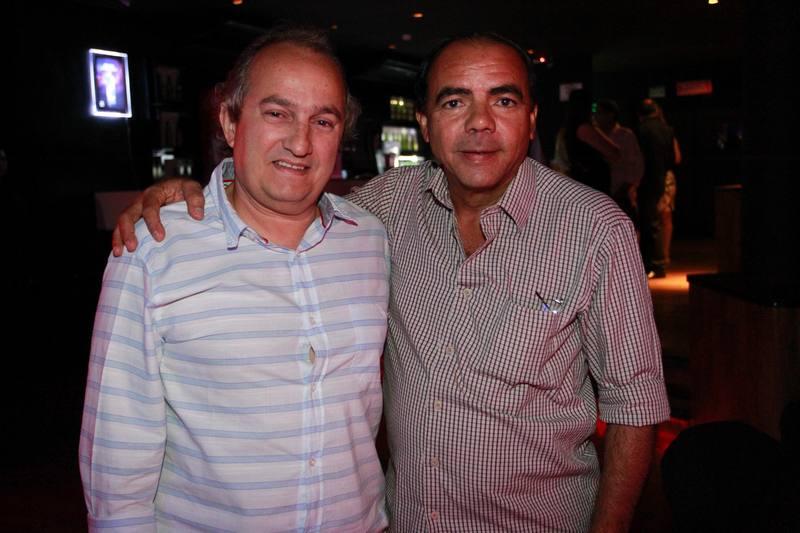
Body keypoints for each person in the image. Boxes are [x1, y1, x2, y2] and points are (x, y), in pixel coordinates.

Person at [114, 33, 670, 532]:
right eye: (455, 102)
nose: (480, 123)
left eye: (503, 100)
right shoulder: (383, 210)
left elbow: (635, 406)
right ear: (425, 123)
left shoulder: (596, 229)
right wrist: (191, 195)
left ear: (531, 118)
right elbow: (288, 191)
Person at [80, 28, 390, 532]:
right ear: (229, 120)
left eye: (323, 121)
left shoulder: (371, 239)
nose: (300, 143)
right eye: (277, 113)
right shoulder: (155, 248)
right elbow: (118, 446)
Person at [637, 98, 677, 278]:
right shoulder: (667, 130)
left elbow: (638, 158)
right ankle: (660, 262)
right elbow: (674, 158)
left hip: (646, 180)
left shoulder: (641, 130)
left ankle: (648, 265)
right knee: (662, 221)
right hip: (663, 179)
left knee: (647, 223)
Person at [561, 88, 620, 194]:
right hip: (593, 183)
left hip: (583, 182)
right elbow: (614, 152)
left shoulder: (571, 128)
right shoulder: (584, 128)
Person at [594, 98, 644, 223]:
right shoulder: (595, 136)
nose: (595, 117)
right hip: (602, 193)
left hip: (622, 193)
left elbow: (636, 165)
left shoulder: (625, 135)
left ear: (611, 115)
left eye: (599, 113)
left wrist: (626, 188)